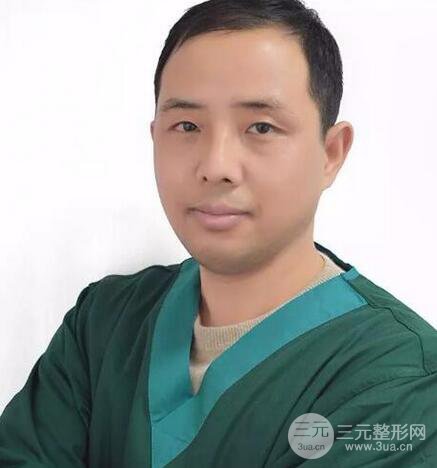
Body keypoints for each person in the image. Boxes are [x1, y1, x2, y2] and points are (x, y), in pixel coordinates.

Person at [1, 0, 436, 466]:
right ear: (155, 137)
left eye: (261, 127)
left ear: (330, 153)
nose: (215, 165)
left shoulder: (398, 381)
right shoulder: (104, 324)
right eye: (187, 125)